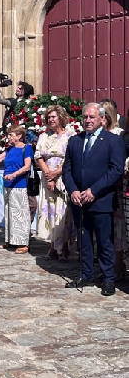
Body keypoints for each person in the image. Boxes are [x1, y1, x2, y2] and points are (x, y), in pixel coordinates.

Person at [63, 103, 125, 296]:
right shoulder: (75, 141)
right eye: (85, 117)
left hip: (101, 199)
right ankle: (86, 273)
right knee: (84, 238)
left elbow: (115, 170)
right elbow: (67, 169)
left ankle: (108, 278)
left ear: (102, 119)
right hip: (78, 200)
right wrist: (73, 190)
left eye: (92, 117)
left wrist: (94, 191)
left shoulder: (113, 141)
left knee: (104, 241)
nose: (88, 120)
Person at [0, 125, 32, 254]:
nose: (8, 137)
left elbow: (27, 166)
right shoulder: (9, 149)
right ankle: (11, 240)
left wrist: (14, 174)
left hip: (19, 184)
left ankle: (23, 242)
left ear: (19, 135)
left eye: (11, 135)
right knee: (9, 212)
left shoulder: (27, 148)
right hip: (7, 184)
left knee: (20, 213)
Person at [34, 105, 77, 261]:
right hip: (47, 177)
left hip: (64, 177)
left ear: (61, 117)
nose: (51, 119)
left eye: (54, 116)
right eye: (49, 117)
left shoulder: (70, 135)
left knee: (63, 211)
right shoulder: (44, 136)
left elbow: (72, 158)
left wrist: (56, 174)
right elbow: (39, 156)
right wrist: (48, 176)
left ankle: (64, 246)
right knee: (50, 210)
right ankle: (53, 246)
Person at [101, 102, 127, 279]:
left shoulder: (119, 135)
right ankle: (107, 265)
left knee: (117, 228)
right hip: (101, 187)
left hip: (117, 187)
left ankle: (118, 266)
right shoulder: (96, 136)